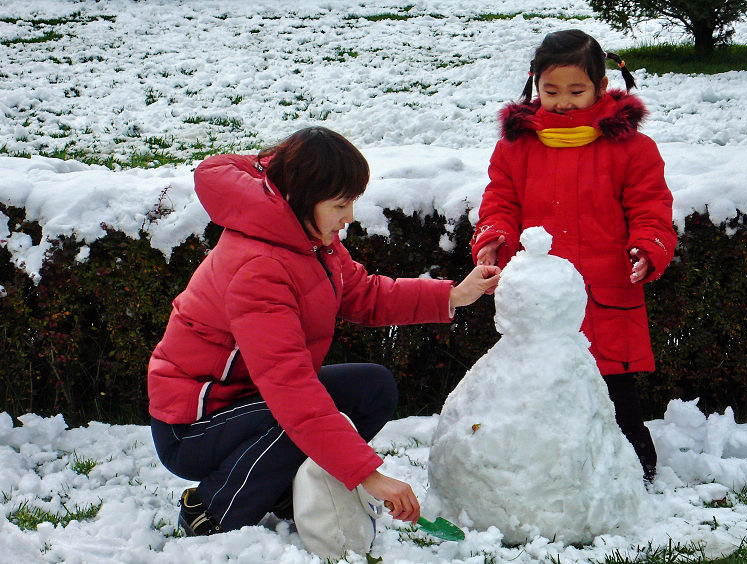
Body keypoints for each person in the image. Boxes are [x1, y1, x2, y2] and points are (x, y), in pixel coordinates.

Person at [147, 126, 501, 536]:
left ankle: (276, 482)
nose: (350, 216)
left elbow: (365, 293)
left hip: (249, 401)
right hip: (194, 426)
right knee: (294, 419)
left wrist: (454, 295)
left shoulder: (307, 239)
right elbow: (292, 391)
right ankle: (210, 507)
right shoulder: (259, 268)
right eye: (341, 204)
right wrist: (367, 474)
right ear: (299, 200)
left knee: (373, 389)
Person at [471, 29, 677, 483]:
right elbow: (500, 203)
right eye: (551, 91)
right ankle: (540, 471)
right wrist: (493, 238)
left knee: (612, 387)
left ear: (603, 87)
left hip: (604, 290)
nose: (563, 102)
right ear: (534, 85)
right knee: (538, 385)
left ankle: (636, 468)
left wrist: (648, 245)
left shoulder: (631, 149)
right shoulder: (516, 147)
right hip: (542, 297)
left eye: (576, 91)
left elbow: (650, 207)